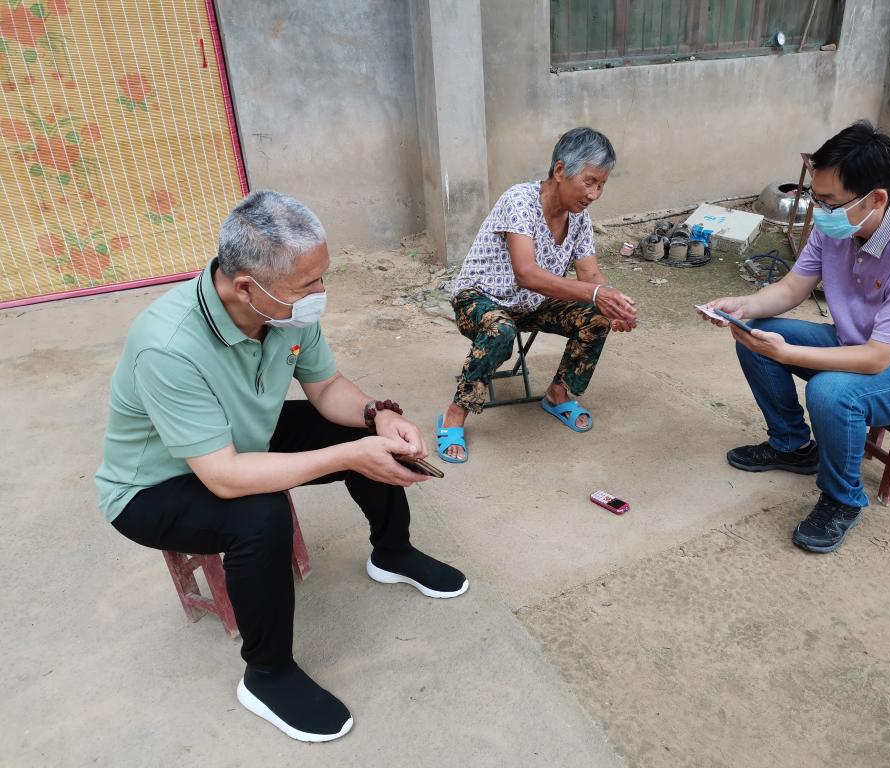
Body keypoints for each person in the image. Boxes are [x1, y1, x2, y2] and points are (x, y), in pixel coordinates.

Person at [95, 191, 468, 742]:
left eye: (322, 278)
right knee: (259, 513)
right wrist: (348, 457)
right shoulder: (167, 345)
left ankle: (393, 553)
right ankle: (266, 675)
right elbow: (223, 476)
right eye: (306, 285)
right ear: (246, 287)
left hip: (242, 439)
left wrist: (378, 416)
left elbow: (327, 387)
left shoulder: (284, 309)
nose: (320, 295)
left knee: (365, 433)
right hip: (155, 486)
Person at [700, 120, 890, 553]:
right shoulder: (842, 223)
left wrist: (789, 352)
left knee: (831, 392)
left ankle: (842, 499)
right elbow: (793, 287)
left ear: (876, 198)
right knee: (754, 333)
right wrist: (743, 306)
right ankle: (792, 447)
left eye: (828, 201)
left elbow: (877, 359)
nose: (819, 209)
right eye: (816, 197)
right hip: (857, 343)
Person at [437, 127, 637, 463]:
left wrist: (614, 304)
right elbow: (526, 274)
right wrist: (596, 292)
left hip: (531, 305)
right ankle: (454, 415)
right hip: (479, 299)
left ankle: (558, 394)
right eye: (589, 181)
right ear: (560, 170)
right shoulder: (519, 201)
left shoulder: (579, 218)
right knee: (501, 330)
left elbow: (590, 275)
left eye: (601, 185)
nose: (594, 194)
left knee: (597, 316)